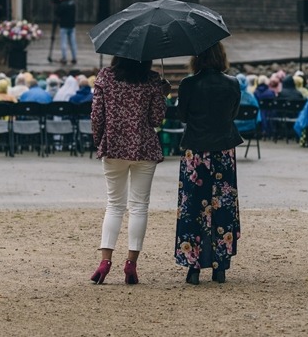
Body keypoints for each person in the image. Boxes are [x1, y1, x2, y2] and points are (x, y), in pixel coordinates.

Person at [89, 56, 168, 285]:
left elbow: (96, 116)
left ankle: (105, 261)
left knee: (114, 204)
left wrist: (100, 141)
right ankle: (131, 264)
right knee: (139, 206)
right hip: (144, 147)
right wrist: (163, 95)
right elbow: (156, 119)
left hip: (113, 146)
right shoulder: (152, 79)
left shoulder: (105, 76)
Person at [175, 42, 242, 285]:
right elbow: (232, 114)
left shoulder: (188, 84)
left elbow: (182, 115)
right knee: (222, 207)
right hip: (223, 151)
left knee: (193, 208)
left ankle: (193, 267)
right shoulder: (233, 83)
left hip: (197, 152)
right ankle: (220, 266)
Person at [51, 0, 77, 65]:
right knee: (73, 43)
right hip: (72, 26)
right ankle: (74, 58)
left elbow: (57, 15)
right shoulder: (72, 3)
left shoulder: (61, 5)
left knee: (64, 43)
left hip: (64, 26)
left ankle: (64, 58)